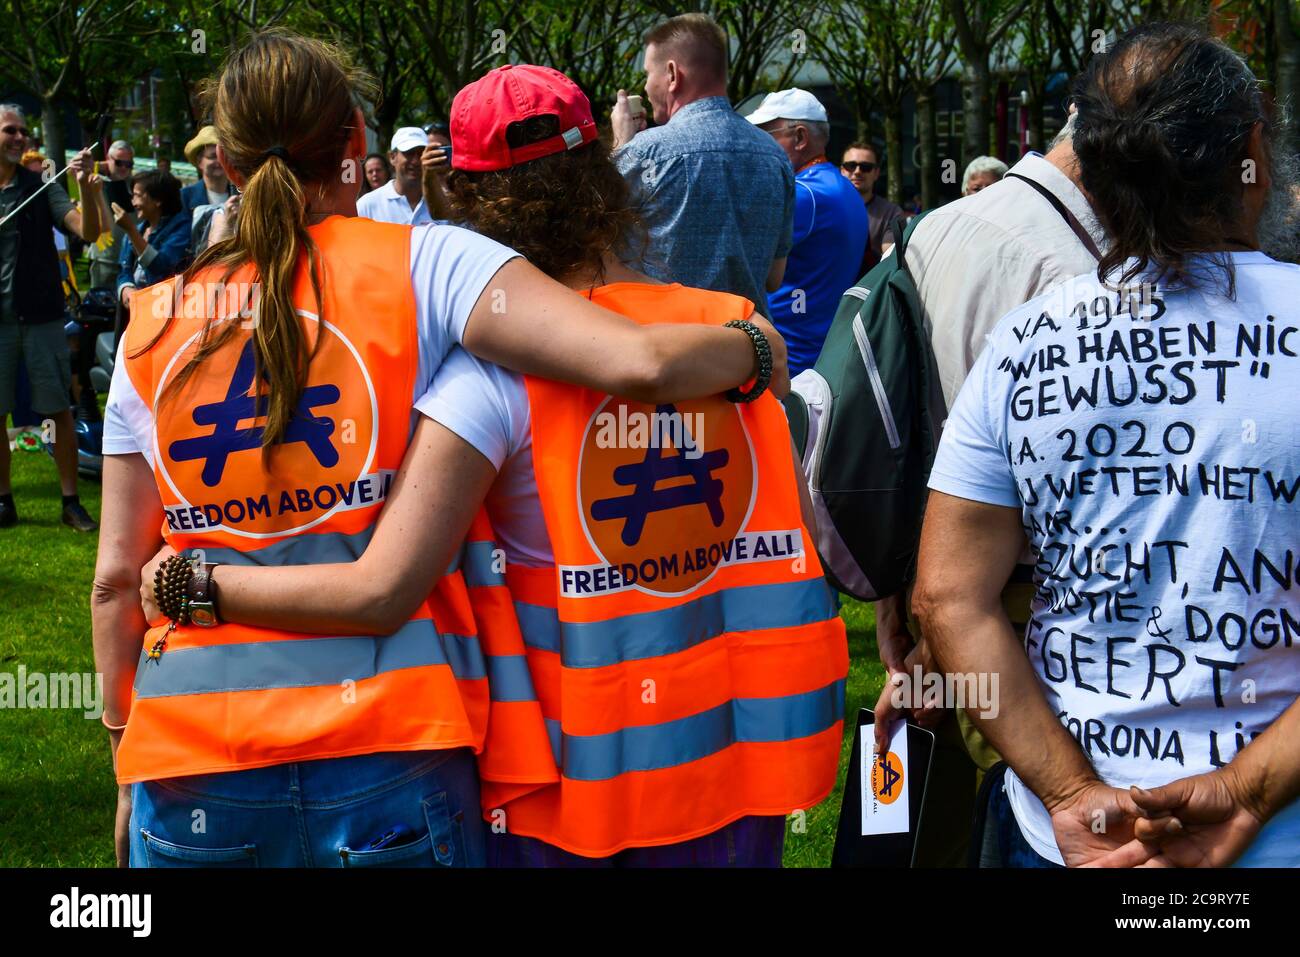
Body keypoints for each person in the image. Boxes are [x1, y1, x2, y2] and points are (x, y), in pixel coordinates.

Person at [92, 30, 786, 869]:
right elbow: (634, 359)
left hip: (192, 752)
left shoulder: (153, 323)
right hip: (394, 747)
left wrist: (131, 752)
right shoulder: (430, 266)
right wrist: (754, 346)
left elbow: (115, 580)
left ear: (227, 165)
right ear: (356, 142)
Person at [914, 22, 1300, 868]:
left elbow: (947, 599)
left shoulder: (1023, 345)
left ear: (1090, 171)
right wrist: (1245, 792)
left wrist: (1072, 796)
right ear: (1253, 158)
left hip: (1074, 845)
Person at [609, 13, 793, 318]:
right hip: (749, 352)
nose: (645, 84)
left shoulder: (644, 152)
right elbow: (774, 278)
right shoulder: (775, 156)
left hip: (670, 350)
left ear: (671, 74)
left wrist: (620, 148)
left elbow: (593, 246)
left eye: (646, 74)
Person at [0, 103, 102, 532]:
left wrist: (88, 188)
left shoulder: (41, 183)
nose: (21, 138)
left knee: (56, 410)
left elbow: (90, 231)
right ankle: (4, 500)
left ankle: (70, 501)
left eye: (23, 131)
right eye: (10, 131)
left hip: (41, 317)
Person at [750, 89, 867, 376]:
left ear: (800, 137)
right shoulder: (842, 188)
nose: (756, 146)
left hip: (787, 360)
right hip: (823, 355)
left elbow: (742, 260)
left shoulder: (802, 194)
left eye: (765, 135)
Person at [114, 169, 190, 304]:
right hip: (135, 313)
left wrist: (131, 231)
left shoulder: (182, 228)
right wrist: (126, 289)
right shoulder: (138, 230)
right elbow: (123, 269)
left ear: (158, 200)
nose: (133, 203)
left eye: (137, 196)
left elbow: (161, 267)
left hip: (163, 309)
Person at [840, 142, 904, 272]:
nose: (857, 172)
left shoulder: (891, 213)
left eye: (866, 167)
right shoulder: (825, 207)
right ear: (842, 170)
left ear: (876, 173)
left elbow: (889, 260)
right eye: (851, 166)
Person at [355, 126, 432, 225]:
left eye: (421, 153)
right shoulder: (367, 206)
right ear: (392, 157)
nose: (416, 161)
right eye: (409, 153)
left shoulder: (443, 204)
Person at [88, 140, 135, 290]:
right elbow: (72, 170)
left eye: (128, 164)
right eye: (119, 162)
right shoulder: (95, 181)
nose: (123, 168)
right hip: (104, 259)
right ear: (108, 160)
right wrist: (99, 165)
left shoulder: (136, 185)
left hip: (130, 260)